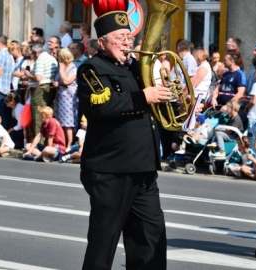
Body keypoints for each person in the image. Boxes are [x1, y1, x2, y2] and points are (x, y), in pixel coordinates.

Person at [77, 3, 169, 269]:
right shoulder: (92, 69)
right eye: (120, 38)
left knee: (150, 240)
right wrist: (144, 96)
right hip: (111, 170)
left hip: (143, 167)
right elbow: (100, 106)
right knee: (103, 243)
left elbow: (156, 108)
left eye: (129, 37)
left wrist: (169, 94)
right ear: (103, 43)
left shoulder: (138, 69)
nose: (127, 43)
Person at [24, 43, 58, 137]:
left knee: (38, 116)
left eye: (32, 54)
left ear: (36, 53)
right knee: (47, 115)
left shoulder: (40, 59)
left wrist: (28, 75)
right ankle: (46, 140)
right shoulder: (51, 58)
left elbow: (38, 78)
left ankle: (39, 142)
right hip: (49, 88)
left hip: (40, 90)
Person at [53, 48, 78, 152]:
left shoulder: (73, 69)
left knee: (68, 123)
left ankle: (69, 144)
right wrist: (55, 82)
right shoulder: (61, 68)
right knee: (60, 122)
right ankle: (61, 143)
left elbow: (66, 80)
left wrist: (62, 70)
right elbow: (57, 78)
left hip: (69, 98)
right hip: (60, 97)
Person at [245, 65, 256, 150]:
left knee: (253, 140)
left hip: (254, 116)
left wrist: (247, 107)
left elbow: (254, 101)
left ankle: (252, 159)